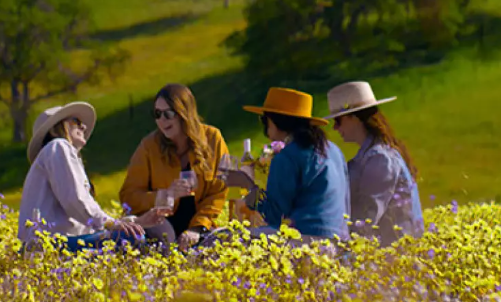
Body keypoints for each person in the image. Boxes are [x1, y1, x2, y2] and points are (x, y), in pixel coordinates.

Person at [18, 102, 165, 253]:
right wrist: (111, 224)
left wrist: (135, 221)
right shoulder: (58, 146)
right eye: (76, 121)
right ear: (55, 129)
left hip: (53, 244)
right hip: (49, 246)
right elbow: (75, 200)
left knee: (135, 233)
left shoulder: (57, 153)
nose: (83, 127)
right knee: (130, 239)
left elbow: (84, 222)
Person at [221, 87, 349, 241]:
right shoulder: (334, 150)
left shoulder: (287, 156)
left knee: (224, 239)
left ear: (274, 121)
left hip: (305, 239)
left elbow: (274, 216)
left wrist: (248, 185)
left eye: (264, 120)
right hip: (340, 239)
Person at [119, 84, 231, 248]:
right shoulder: (149, 146)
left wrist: (197, 227)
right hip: (160, 221)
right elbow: (128, 196)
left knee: (226, 242)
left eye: (168, 113)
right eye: (157, 114)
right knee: (163, 240)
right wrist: (165, 195)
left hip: (200, 223)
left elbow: (219, 192)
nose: (162, 120)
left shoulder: (213, 138)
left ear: (184, 113)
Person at [325, 81, 425, 246]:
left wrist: (340, 247)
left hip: (395, 254)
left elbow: (368, 216)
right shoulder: (371, 155)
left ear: (354, 118)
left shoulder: (380, 158)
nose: (335, 128)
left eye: (338, 121)